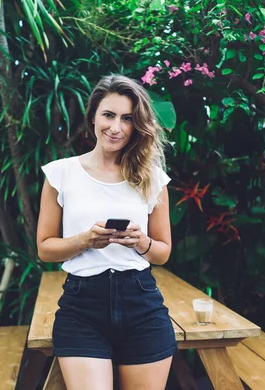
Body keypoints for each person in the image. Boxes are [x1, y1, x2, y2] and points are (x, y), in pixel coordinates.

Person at [36, 75, 176, 390]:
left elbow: (163, 252)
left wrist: (142, 242)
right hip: (81, 306)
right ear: (94, 117)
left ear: (137, 125)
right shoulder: (61, 173)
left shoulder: (152, 178)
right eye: (108, 115)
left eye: (127, 118)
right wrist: (83, 241)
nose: (116, 127)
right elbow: (44, 248)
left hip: (141, 303)